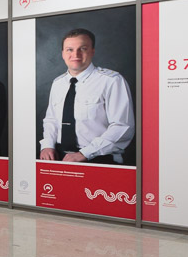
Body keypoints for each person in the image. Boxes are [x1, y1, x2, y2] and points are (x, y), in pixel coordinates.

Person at [40, 28, 134, 164]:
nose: (75, 54)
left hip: (98, 158)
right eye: (69, 50)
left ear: (92, 51)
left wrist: (85, 153)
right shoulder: (58, 83)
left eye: (82, 48)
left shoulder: (111, 80)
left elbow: (122, 126)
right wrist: (47, 145)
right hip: (59, 157)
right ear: (62, 53)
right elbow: (51, 119)